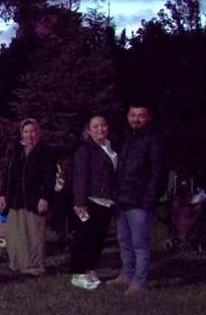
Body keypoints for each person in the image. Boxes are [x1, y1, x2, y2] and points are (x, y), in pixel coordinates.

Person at [108, 104, 165, 296]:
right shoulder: (127, 138)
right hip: (122, 199)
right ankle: (127, 274)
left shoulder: (154, 140)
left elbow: (157, 172)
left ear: (148, 118)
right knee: (124, 241)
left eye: (140, 116)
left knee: (140, 243)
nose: (136, 119)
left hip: (140, 201)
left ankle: (140, 282)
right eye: (132, 115)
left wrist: (150, 199)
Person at [0, 119, 55, 277]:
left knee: (33, 234)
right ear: (21, 133)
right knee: (15, 234)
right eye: (26, 131)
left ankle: (34, 266)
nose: (29, 135)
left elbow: (49, 177)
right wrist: (3, 194)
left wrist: (44, 197)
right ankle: (17, 264)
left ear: (37, 132)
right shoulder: (16, 150)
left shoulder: (45, 151)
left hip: (33, 199)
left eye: (32, 131)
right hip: (15, 199)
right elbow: (7, 174)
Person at [70, 113, 117, 290]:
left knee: (97, 239)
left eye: (103, 125)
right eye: (95, 126)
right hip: (89, 201)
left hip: (106, 201)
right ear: (88, 130)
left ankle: (90, 270)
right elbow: (80, 177)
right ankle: (78, 273)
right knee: (83, 238)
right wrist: (80, 202)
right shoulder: (86, 149)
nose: (100, 129)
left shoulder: (109, 147)